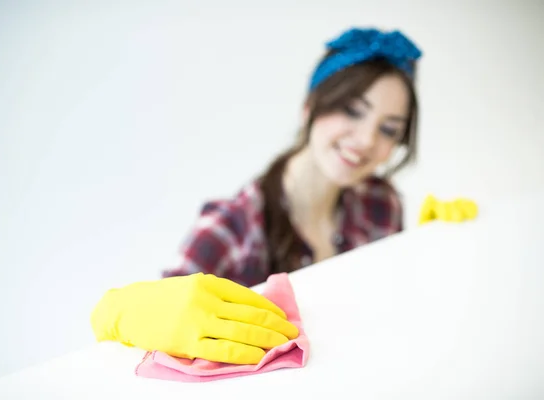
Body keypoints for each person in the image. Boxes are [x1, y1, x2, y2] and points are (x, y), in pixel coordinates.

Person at [91, 27, 423, 366]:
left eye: (389, 129)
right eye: (353, 110)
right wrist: (118, 313)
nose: (367, 139)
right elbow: (166, 321)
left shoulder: (383, 205)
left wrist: (432, 244)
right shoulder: (230, 228)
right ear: (310, 107)